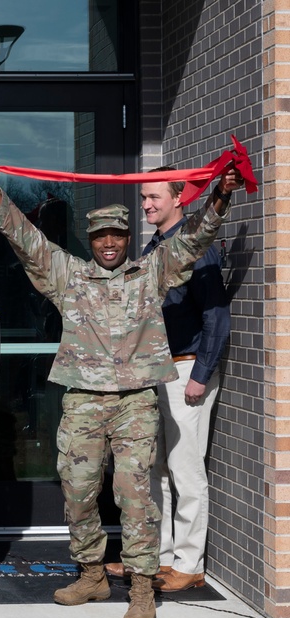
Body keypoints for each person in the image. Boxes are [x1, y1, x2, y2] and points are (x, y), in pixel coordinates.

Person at [0, 151, 244, 618]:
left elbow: (193, 240)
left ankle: (142, 588)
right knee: (78, 492)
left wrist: (221, 195)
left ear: (125, 239)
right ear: (92, 239)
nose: (108, 244)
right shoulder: (70, 275)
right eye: (100, 236)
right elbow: (27, 241)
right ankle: (92, 572)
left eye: (117, 236)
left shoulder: (151, 274)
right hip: (82, 400)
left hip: (136, 402)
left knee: (135, 495)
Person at [105, 170, 231, 592]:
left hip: (186, 372)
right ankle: (153, 559)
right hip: (157, 373)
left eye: (154, 197)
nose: (146, 205)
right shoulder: (155, 246)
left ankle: (189, 564)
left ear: (180, 197)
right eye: (143, 198)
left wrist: (200, 375)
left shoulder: (199, 246)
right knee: (154, 470)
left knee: (185, 469)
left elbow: (216, 316)